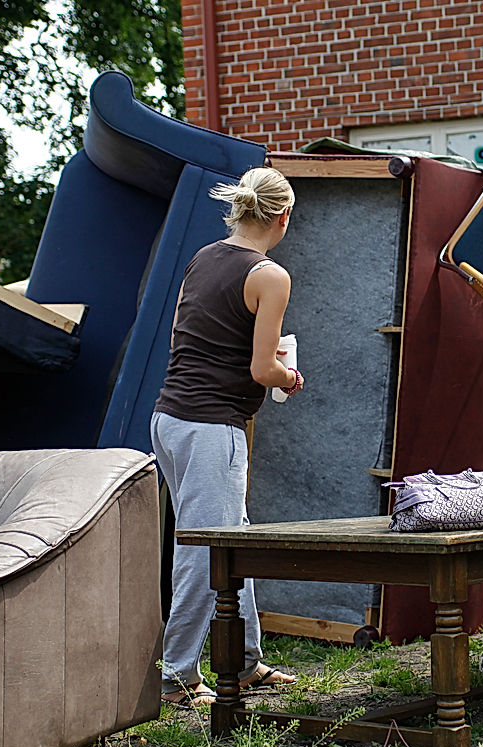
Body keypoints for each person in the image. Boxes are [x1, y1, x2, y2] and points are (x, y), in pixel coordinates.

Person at [152, 166, 306, 707]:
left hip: (170, 420)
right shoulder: (270, 276)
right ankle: (175, 676)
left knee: (231, 539)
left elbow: (188, 335)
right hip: (210, 426)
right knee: (206, 549)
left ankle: (244, 663)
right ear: (283, 216)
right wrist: (290, 376)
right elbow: (263, 369)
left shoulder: (205, 257)